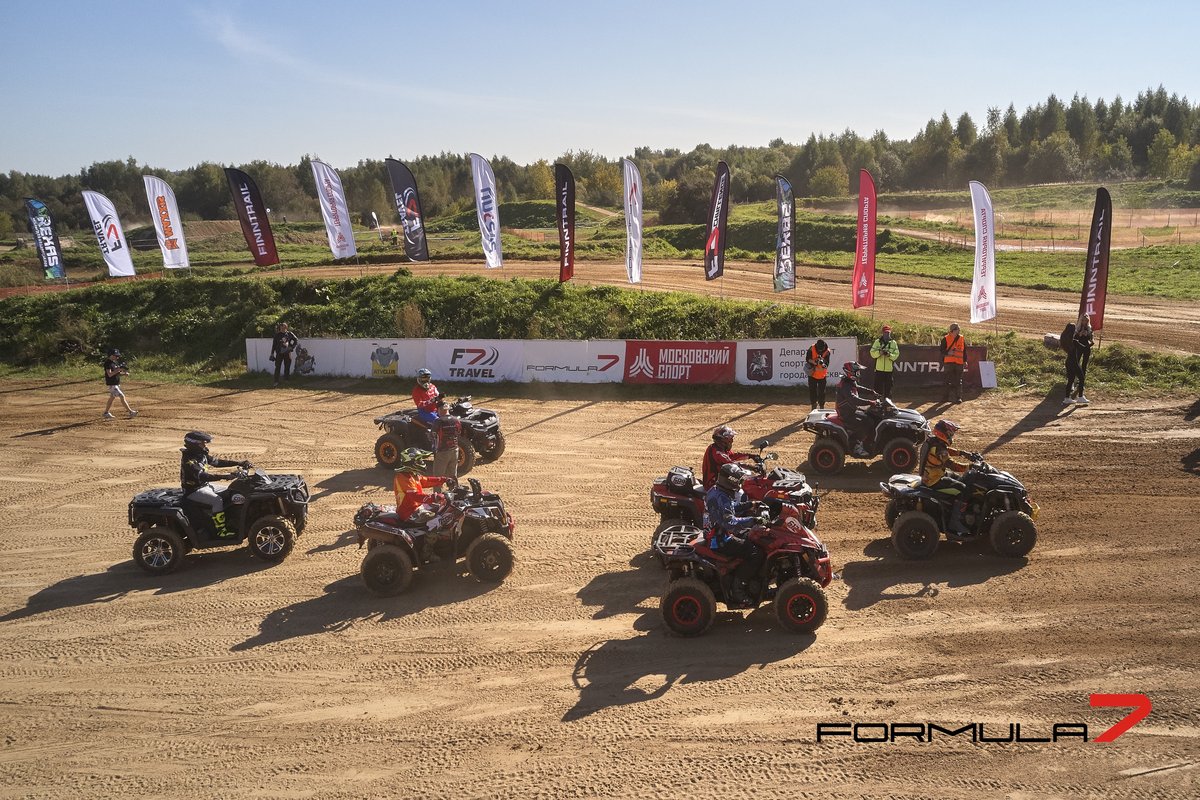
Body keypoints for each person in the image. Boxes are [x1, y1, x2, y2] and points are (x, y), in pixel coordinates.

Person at [704, 463, 766, 607]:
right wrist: (754, 520)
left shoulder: (716, 490)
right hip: (719, 540)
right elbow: (730, 522)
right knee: (756, 553)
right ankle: (738, 590)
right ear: (730, 480)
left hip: (717, 534)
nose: (740, 483)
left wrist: (751, 505)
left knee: (753, 538)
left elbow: (730, 509)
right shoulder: (721, 497)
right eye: (738, 480)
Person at [180, 431, 250, 538]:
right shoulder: (189, 460)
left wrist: (239, 463)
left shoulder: (201, 455)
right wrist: (225, 476)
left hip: (205, 486)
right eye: (202, 444)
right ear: (194, 444)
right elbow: (203, 476)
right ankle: (221, 531)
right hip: (193, 490)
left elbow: (217, 462)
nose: (205, 446)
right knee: (217, 501)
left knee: (229, 491)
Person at [918, 419, 972, 534]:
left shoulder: (933, 441)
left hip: (932, 474)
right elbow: (954, 466)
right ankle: (955, 522)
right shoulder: (939, 449)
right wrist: (970, 466)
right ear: (944, 433)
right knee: (963, 489)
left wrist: (962, 453)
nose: (951, 436)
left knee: (960, 479)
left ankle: (952, 506)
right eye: (950, 433)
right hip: (934, 480)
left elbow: (946, 450)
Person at [392, 447, 455, 521]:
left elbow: (426, 480)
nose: (422, 462)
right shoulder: (402, 477)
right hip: (408, 512)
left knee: (442, 509)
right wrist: (434, 497)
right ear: (411, 462)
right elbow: (415, 496)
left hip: (418, 507)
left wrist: (444, 479)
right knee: (436, 520)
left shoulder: (412, 475)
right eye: (419, 460)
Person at [835, 361, 880, 458]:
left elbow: (857, 388)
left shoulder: (849, 382)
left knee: (871, 415)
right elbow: (853, 399)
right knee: (868, 422)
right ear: (850, 372)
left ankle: (868, 442)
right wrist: (870, 402)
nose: (859, 373)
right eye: (857, 372)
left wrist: (871, 392)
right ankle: (856, 445)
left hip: (851, 410)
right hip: (846, 414)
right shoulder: (845, 385)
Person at [701, 425, 758, 490]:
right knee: (741, 491)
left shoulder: (721, 448)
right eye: (730, 439)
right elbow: (731, 464)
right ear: (723, 441)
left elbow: (733, 456)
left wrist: (751, 456)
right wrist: (751, 467)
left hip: (722, 482)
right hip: (713, 485)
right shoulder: (716, 452)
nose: (732, 441)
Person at [430, 398, 463, 481]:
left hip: (442, 451)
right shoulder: (456, 420)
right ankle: (454, 489)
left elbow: (433, 435)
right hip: (455, 450)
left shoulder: (438, 421)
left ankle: (438, 490)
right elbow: (459, 432)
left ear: (440, 409)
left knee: (437, 478)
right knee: (453, 476)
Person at [102, 348, 138, 420]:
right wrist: (119, 369)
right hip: (112, 384)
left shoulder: (113, 363)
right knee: (122, 396)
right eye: (116, 356)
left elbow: (116, 373)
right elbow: (110, 374)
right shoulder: (108, 363)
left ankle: (106, 413)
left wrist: (123, 373)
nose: (117, 357)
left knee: (112, 398)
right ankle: (131, 412)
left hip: (116, 384)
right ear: (111, 355)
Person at [1068, 314, 1094, 405]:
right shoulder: (1077, 328)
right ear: (1080, 320)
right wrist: (1079, 334)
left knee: (1084, 366)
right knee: (1076, 364)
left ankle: (1081, 383)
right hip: (1078, 348)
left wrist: (1088, 336)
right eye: (1083, 320)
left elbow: (1092, 340)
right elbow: (1073, 339)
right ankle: (1072, 381)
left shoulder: (1089, 328)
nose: (1084, 322)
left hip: (1086, 348)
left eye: (1086, 321)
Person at [869, 325, 900, 399]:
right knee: (877, 388)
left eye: (888, 333)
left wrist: (889, 355)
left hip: (889, 370)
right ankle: (877, 402)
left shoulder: (893, 343)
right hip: (879, 369)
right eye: (885, 332)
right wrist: (879, 353)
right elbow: (872, 353)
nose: (887, 334)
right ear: (882, 333)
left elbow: (896, 355)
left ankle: (887, 402)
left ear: (890, 332)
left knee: (888, 388)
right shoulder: (877, 342)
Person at [940, 323, 966, 403]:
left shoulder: (961, 338)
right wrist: (948, 353)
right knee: (946, 381)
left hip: (959, 362)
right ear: (953, 330)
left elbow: (964, 350)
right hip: (948, 362)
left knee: (958, 381)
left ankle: (958, 398)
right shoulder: (945, 339)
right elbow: (941, 350)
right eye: (958, 329)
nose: (959, 330)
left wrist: (965, 360)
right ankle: (945, 397)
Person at [269, 323, 299, 387]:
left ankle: (286, 379)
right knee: (277, 367)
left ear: (286, 327)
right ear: (280, 327)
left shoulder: (289, 334)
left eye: (285, 327)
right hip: (279, 353)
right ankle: (276, 381)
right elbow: (274, 345)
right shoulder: (277, 335)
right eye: (282, 327)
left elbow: (296, 340)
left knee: (287, 366)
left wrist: (292, 347)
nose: (283, 328)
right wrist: (272, 353)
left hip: (287, 353)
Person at [805, 339, 831, 410]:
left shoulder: (827, 351)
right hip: (812, 374)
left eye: (821, 349)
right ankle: (813, 405)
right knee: (812, 390)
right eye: (819, 349)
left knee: (822, 392)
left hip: (822, 375)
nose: (820, 351)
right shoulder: (812, 348)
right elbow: (807, 359)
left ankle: (821, 406)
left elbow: (827, 364)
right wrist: (814, 362)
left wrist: (823, 364)